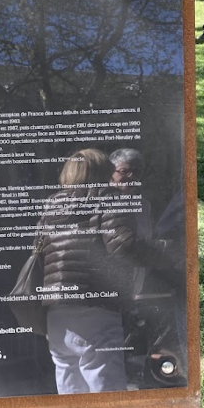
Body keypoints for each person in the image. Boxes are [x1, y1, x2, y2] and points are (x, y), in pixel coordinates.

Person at [36, 149, 137, 394]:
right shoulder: (107, 198)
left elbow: (38, 257)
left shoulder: (51, 206)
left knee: (70, 395)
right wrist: (167, 252)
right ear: (103, 171)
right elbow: (124, 245)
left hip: (56, 313)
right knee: (107, 393)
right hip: (96, 306)